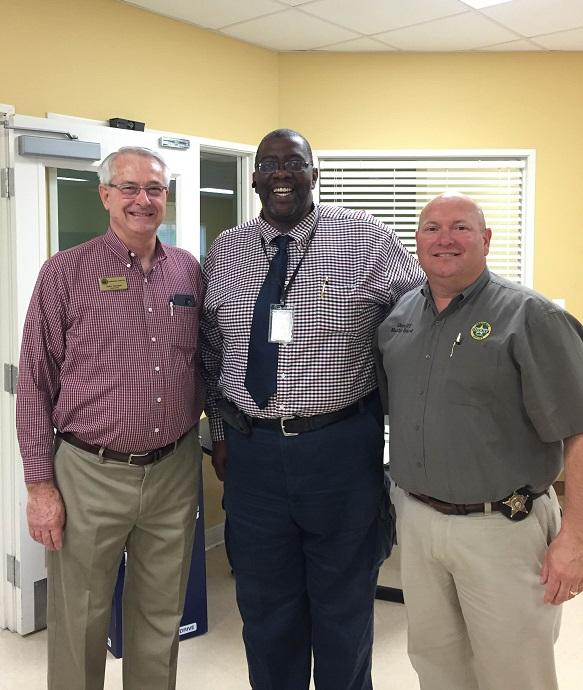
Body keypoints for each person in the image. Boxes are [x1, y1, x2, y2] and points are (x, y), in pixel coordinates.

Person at [200, 128, 425, 690]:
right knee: (264, 605)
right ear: (253, 175)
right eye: (269, 164)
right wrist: (223, 430)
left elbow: (420, 322)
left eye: (293, 163)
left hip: (339, 448)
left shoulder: (365, 237)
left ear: (313, 172)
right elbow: (209, 348)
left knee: (344, 605)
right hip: (252, 455)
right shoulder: (227, 249)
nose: (281, 173)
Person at [377, 191, 583, 690]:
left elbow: (578, 431)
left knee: (516, 672)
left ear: (486, 239)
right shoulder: (399, 317)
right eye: (431, 228)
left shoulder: (531, 318)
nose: (444, 238)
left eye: (461, 227)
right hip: (419, 522)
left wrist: (575, 537)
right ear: (417, 241)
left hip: (504, 527)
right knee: (436, 664)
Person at [16, 146, 204, 690]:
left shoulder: (187, 271)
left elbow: (204, 361)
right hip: (89, 473)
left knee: (161, 618)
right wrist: (39, 486)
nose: (143, 200)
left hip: (172, 469)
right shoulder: (65, 273)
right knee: (80, 621)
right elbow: (35, 382)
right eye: (129, 188)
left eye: (155, 189)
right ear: (105, 195)